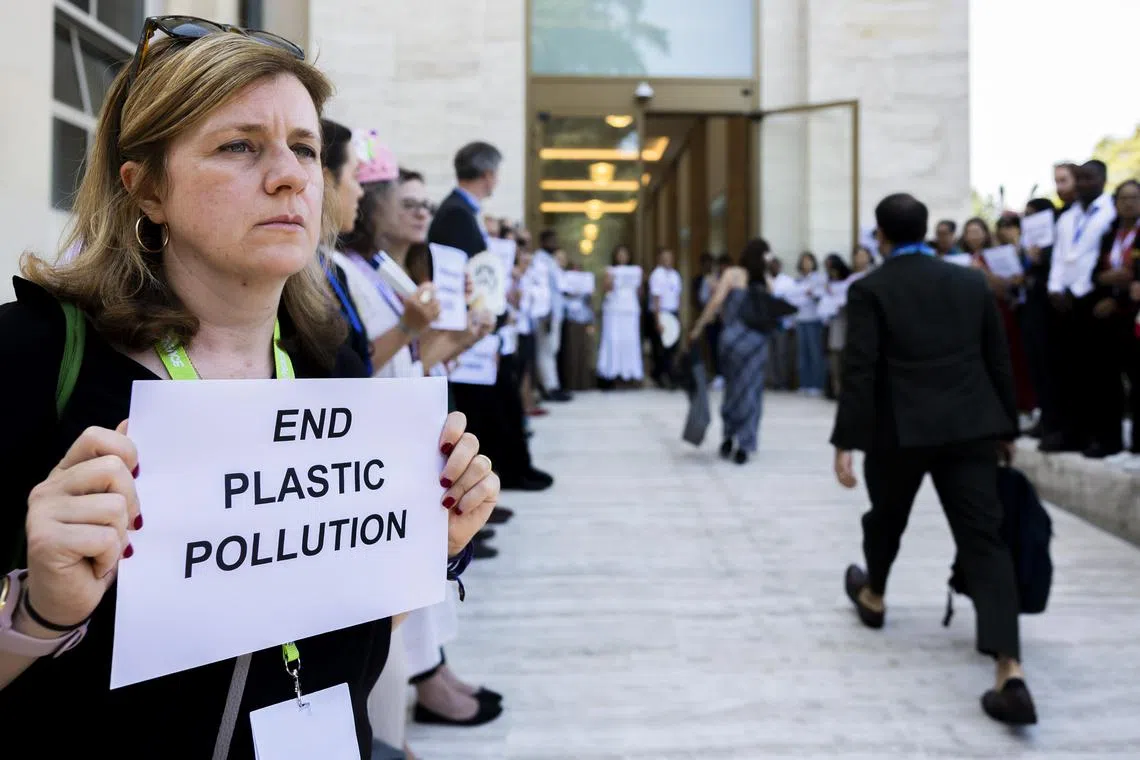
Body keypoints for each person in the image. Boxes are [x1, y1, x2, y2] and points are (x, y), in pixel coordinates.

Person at [0, 20, 498, 759]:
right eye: (239, 146)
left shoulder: (331, 369)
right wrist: (37, 614)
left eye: (303, 147)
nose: (294, 175)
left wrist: (422, 547)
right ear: (147, 189)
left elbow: (350, 649)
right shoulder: (30, 357)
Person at [831, 193, 1035, 726]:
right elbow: (997, 357)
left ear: (880, 236)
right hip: (969, 428)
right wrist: (1006, 426)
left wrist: (845, 442)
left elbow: (861, 370)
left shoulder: (870, 289)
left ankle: (874, 595)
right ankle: (1009, 670)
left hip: (899, 430)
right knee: (984, 541)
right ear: (926, 231)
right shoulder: (970, 282)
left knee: (886, 519)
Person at [430, 142, 553, 493]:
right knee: (483, 415)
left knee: (500, 406)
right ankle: (498, 481)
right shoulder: (456, 213)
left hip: (481, 330)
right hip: (469, 335)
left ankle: (513, 472)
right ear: (487, 174)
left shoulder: (464, 212)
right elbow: (467, 275)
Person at [1043, 159, 1117, 454]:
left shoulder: (1110, 214)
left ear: (1102, 180)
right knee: (1069, 373)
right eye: (1080, 179)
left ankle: (1104, 437)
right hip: (1065, 301)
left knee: (1099, 375)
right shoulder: (1067, 217)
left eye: (1089, 179)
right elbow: (1060, 256)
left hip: (1095, 298)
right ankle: (1073, 433)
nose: (1084, 184)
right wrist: (1054, 287)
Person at [689, 238, 775, 465]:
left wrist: (698, 327)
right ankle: (745, 443)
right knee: (751, 391)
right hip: (756, 343)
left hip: (732, 340)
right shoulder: (765, 281)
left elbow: (715, 303)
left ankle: (728, 436)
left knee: (733, 389)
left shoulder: (733, 274)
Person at [1086, 179, 1140, 458]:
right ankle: (1111, 441)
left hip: (1134, 315)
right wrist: (1104, 279)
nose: (1129, 203)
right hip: (1110, 317)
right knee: (1108, 380)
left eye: (1134, 197)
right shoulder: (1109, 234)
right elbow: (1096, 271)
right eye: (1123, 198)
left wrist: (1124, 289)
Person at [596, 244, 644, 388]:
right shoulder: (610, 270)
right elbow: (606, 290)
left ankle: (629, 374)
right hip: (614, 309)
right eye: (619, 254)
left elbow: (640, 292)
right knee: (614, 339)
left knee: (629, 340)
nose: (622, 257)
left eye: (625, 254)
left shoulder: (635, 270)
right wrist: (609, 279)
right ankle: (612, 373)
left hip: (629, 309)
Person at [533, 230, 572, 402]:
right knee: (546, 351)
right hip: (546, 313)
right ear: (543, 242)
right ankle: (549, 387)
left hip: (556, 312)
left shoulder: (552, 260)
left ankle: (553, 384)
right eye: (550, 240)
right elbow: (543, 289)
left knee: (552, 350)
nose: (554, 243)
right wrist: (546, 312)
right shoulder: (540, 260)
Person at [649, 247, 684, 389]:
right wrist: (658, 320)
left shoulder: (675, 275)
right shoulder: (657, 275)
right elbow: (656, 298)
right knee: (661, 347)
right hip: (661, 313)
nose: (667, 260)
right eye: (664, 257)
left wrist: (679, 317)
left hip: (673, 313)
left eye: (669, 257)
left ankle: (669, 375)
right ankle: (661, 376)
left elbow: (678, 297)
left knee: (672, 347)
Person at [793, 252, 827, 396]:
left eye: (809, 261)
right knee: (803, 353)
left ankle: (817, 384)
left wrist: (812, 294)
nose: (806, 264)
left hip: (814, 319)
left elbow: (822, 296)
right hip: (800, 319)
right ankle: (804, 384)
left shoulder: (819, 279)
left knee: (815, 353)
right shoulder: (797, 280)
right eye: (804, 261)